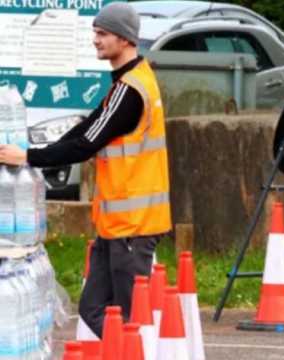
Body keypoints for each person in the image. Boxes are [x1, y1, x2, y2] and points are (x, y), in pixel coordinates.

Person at [0, 2, 171, 338]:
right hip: (116, 227)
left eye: (102, 33)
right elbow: (86, 128)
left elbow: (85, 145)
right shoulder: (127, 83)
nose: (95, 39)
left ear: (124, 39)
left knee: (129, 319)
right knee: (94, 310)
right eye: (95, 32)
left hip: (133, 228)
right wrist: (35, 153)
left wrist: (28, 158)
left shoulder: (130, 91)